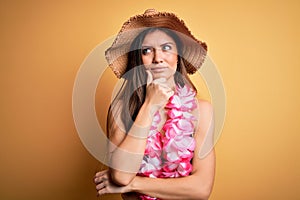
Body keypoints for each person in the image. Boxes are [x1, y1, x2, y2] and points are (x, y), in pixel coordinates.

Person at [94, 9, 215, 200]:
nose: (158, 58)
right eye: (147, 50)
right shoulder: (119, 110)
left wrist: (134, 184)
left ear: (178, 56)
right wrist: (149, 104)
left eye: (166, 48)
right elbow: (121, 175)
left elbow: (201, 189)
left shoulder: (201, 110)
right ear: (138, 60)